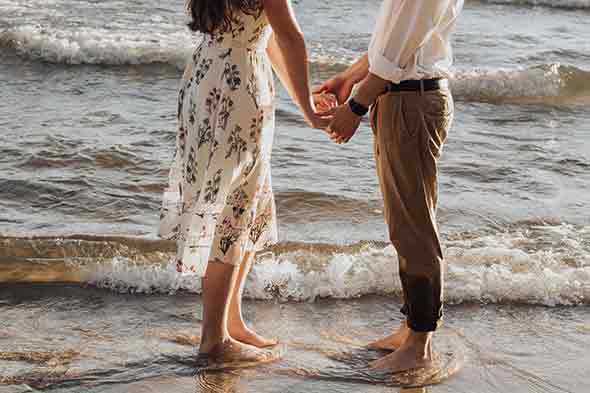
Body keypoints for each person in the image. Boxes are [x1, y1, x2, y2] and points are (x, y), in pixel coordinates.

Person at [158, 0, 333, 364]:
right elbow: (291, 37)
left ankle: (230, 322)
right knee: (233, 207)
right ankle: (213, 340)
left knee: (244, 200)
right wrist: (312, 114)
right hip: (237, 87)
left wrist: (304, 100)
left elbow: (266, 38)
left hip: (210, 73)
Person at [317, 0, 464, 373]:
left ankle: (420, 345)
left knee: (414, 227)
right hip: (404, 96)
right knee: (405, 224)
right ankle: (411, 328)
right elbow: (394, 43)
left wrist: (355, 106)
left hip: (411, 101)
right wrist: (350, 77)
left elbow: (398, 50)